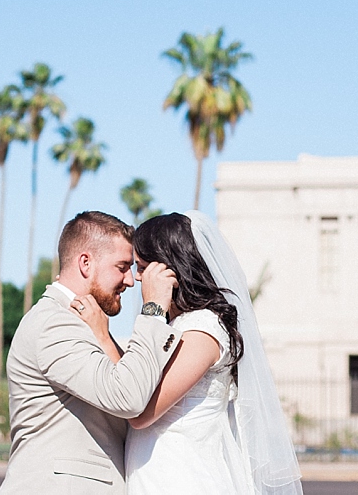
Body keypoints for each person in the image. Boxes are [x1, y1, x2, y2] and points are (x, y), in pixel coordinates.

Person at [76, 210, 302, 494]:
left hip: (184, 478)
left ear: (172, 270)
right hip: (155, 475)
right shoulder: (174, 326)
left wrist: (105, 335)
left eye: (144, 268)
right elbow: (134, 382)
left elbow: (140, 411)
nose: (136, 278)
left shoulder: (204, 329)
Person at [0, 211, 182, 494]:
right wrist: (154, 310)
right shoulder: (54, 322)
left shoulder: (86, 322)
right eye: (122, 267)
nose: (131, 280)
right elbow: (128, 397)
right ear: (86, 263)